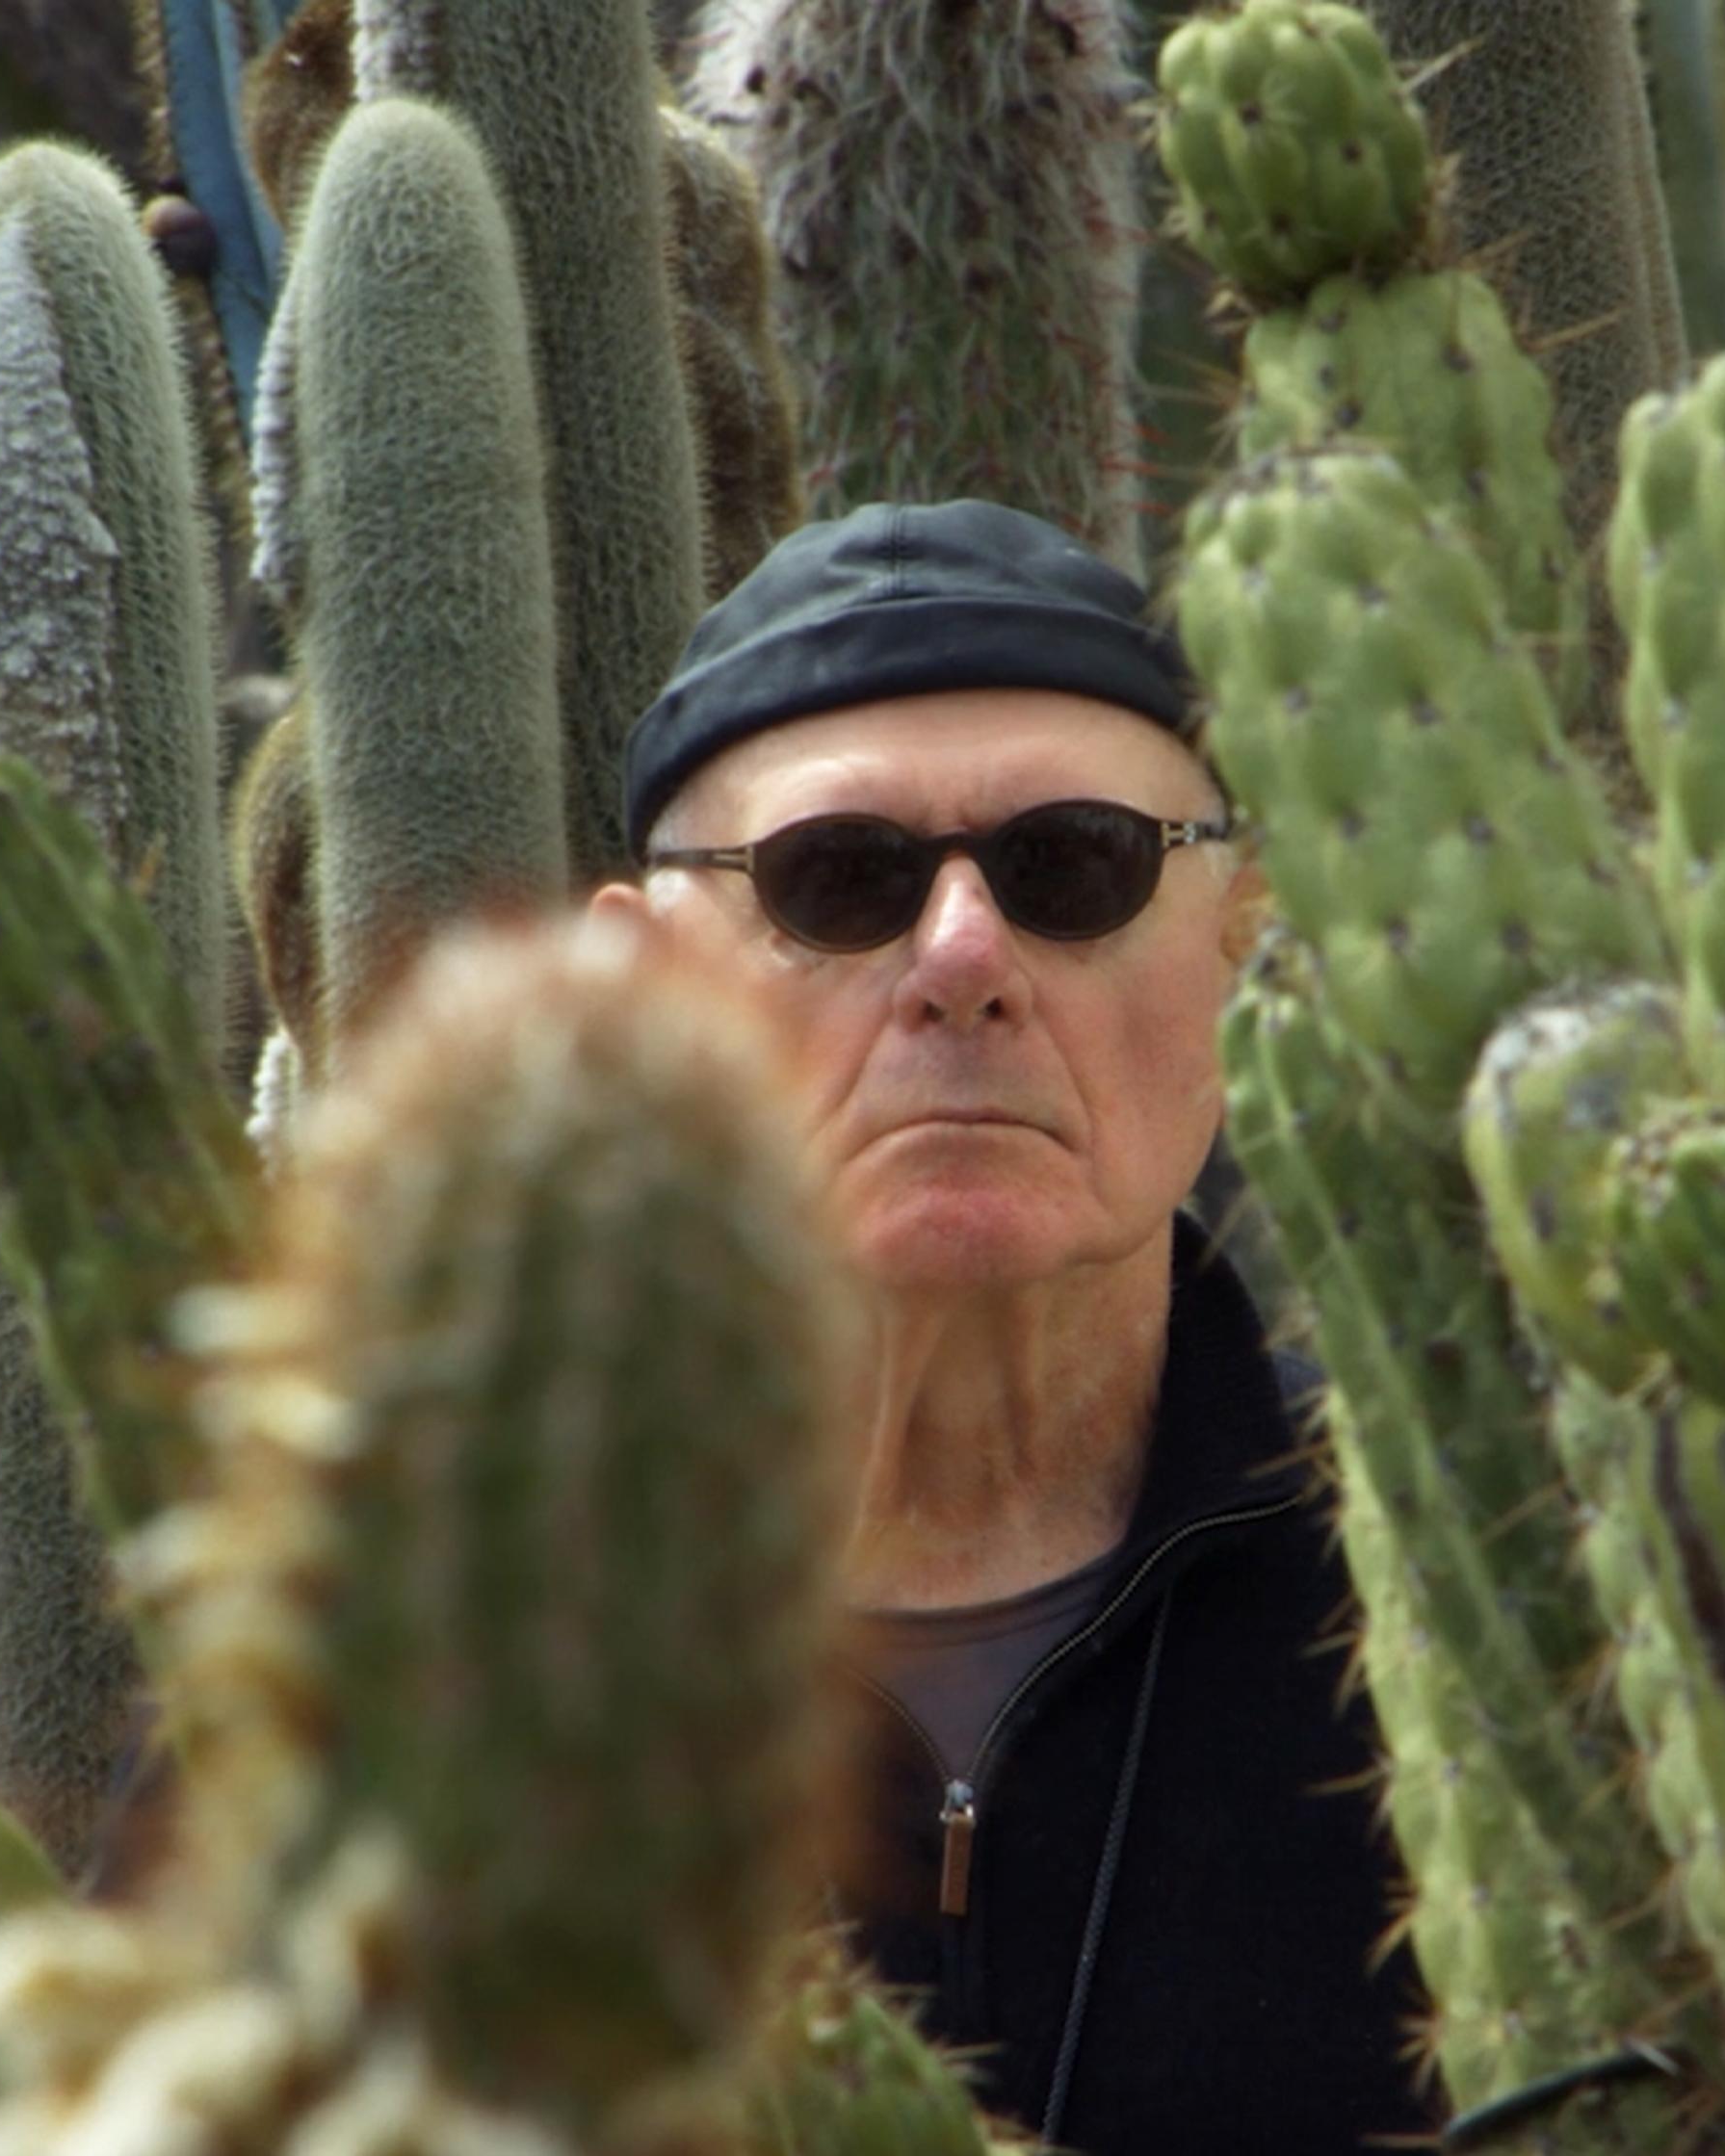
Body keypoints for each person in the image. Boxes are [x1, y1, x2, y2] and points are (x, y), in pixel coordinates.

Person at [588, 501, 1444, 2150]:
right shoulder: (408, 1637)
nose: (965, 959)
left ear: (1241, 944)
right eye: (838, 881)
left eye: (1074, 866)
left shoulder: (1478, 1593)